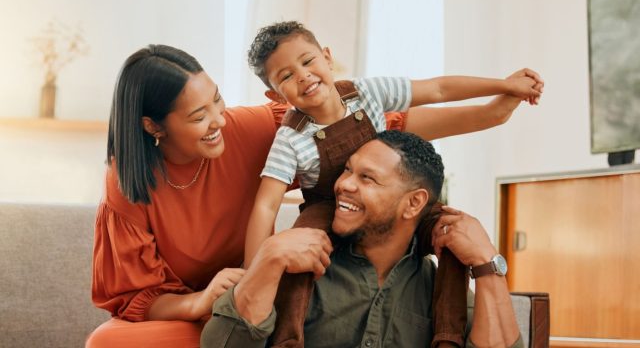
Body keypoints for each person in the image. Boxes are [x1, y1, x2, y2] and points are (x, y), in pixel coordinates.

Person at [86, 44, 537, 347]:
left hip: (263, 280)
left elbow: (374, 131)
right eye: (199, 116)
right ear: (153, 126)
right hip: (213, 300)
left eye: (218, 102)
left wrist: (494, 112)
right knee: (109, 341)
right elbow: (133, 296)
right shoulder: (127, 186)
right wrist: (207, 297)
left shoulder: (262, 127)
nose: (219, 120)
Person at [242, 21, 543, 347]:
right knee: (297, 261)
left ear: (327, 57)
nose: (302, 75)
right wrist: (254, 270)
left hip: (387, 193)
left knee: (454, 233)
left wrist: (504, 86)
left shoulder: (367, 92)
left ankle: (449, 337)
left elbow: (438, 89)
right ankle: (288, 339)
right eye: (286, 76)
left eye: (307, 61)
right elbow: (265, 204)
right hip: (326, 207)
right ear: (275, 95)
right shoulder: (291, 138)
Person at [201, 130, 523, 348]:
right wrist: (268, 257)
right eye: (347, 170)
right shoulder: (295, 271)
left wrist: (487, 263)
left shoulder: (443, 293)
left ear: (413, 203)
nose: (344, 185)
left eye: (367, 178)